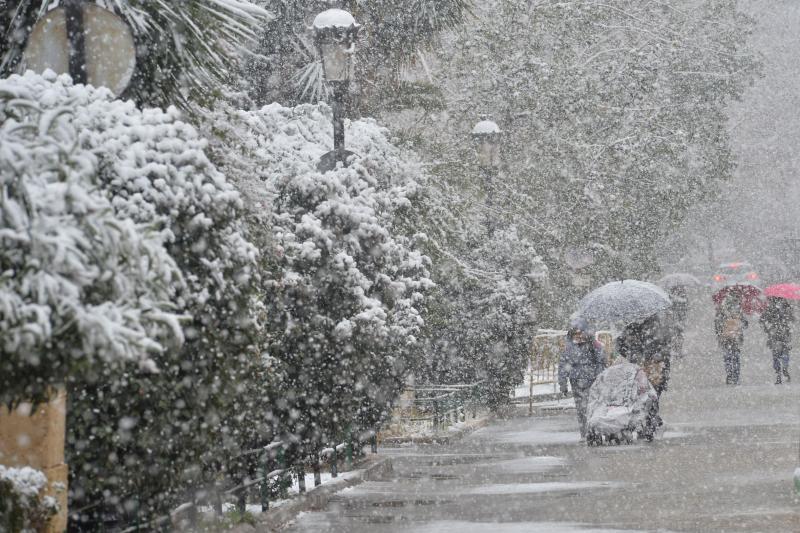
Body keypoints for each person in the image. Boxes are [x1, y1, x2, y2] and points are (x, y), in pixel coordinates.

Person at [615, 316, 669, 438]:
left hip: (653, 371)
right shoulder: (631, 328)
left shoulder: (655, 328)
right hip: (639, 370)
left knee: (651, 399)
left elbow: (664, 352)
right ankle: (648, 424)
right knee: (642, 399)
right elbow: (620, 346)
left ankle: (650, 426)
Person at [558, 318, 606, 440]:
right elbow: (563, 365)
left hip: (591, 380)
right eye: (576, 334)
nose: (578, 336)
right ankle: (584, 433)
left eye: (581, 333)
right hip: (575, 381)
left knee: (592, 406)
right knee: (581, 408)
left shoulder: (593, 345)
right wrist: (562, 383)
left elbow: (600, 361)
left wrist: (599, 376)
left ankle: (595, 431)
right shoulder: (569, 347)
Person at [714, 293, 748, 385]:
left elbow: (717, 325)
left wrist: (719, 334)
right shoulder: (739, 311)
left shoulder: (721, 311)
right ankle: (736, 376)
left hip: (725, 338)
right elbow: (745, 325)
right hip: (736, 338)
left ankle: (729, 375)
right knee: (736, 358)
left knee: (728, 357)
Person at [759, 296, 793, 384]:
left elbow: (762, 320)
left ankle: (778, 374)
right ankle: (785, 367)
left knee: (776, 356)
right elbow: (792, 320)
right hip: (784, 334)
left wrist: (767, 329)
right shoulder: (786, 307)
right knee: (785, 353)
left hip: (773, 334)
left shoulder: (770, 308)